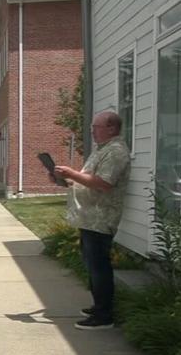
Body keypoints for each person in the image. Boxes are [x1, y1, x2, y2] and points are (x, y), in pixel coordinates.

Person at [53, 110, 131, 330]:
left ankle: (104, 315)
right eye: (92, 127)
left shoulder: (116, 152)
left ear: (111, 129)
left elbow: (104, 183)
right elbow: (88, 180)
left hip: (101, 217)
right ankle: (98, 306)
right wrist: (66, 179)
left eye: (96, 127)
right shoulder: (102, 150)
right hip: (89, 217)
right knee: (91, 263)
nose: (92, 131)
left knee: (99, 266)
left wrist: (71, 173)